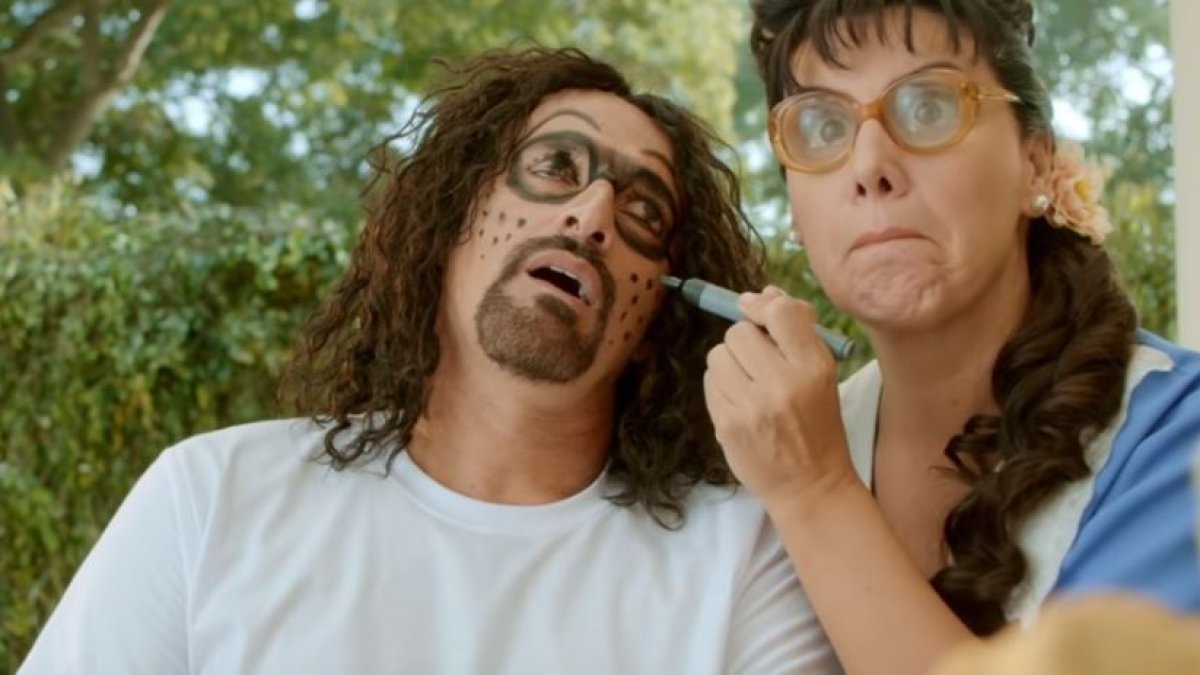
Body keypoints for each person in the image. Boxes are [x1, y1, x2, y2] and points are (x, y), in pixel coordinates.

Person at [18, 47, 838, 674]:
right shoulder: (210, 498)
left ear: (657, 316)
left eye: (644, 211)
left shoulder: (740, 557)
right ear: (449, 221)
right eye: (556, 166)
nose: (592, 215)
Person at [702, 1, 1200, 674]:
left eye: (929, 106)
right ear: (793, 204)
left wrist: (816, 493)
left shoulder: (1176, 437)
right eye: (823, 125)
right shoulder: (786, 442)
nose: (869, 164)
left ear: (1035, 163)